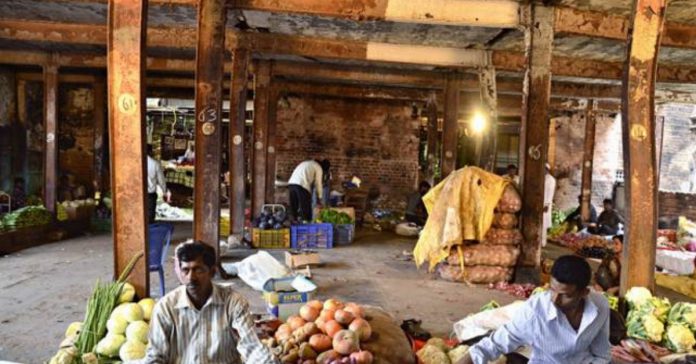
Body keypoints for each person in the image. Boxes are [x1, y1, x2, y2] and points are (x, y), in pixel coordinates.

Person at [455, 255, 611, 364]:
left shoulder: (600, 307)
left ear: (584, 293)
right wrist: (468, 359)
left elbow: (601, 354)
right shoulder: (535, 311)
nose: (555, 300)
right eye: (552, 290)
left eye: (565, 295)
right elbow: (496, 343)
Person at [144, 241, 278, 363]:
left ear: (212, 272)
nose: (191, 278)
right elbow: (155, 356)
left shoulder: (233, 304)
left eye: (198, 270)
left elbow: (252, 347)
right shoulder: (166, 308)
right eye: (185, 270)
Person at [147, 145, 170, 223]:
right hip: (150, 194)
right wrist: (164, 192)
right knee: (150, 216)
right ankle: (150, 232)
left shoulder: (135, 163)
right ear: (150, 152)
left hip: (137, 194)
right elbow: (161, 180)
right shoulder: (155, 163)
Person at [542, 163, 556, 247]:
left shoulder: (550, 179)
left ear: (547, 169)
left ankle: (543, 242)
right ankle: (540, 240)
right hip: (541, 203)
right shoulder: (543, 178)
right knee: (541, 223)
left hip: (545, 203)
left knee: (543, 223)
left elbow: (549, 193)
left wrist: (546, 204)